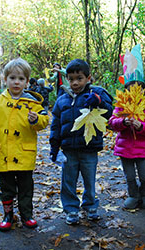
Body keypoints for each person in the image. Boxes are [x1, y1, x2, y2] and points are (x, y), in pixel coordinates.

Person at [0, 58, 49, 231]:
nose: (17, 82)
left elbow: (45, 120)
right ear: (5, 79)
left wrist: (36, 119)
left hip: (24, 153)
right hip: (4, 153)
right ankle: (8, 215)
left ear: (27, 81)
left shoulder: (33, 103)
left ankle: (27, 215)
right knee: (6, 187)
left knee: (25, 187)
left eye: (21, 79)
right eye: (13, 78)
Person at [49, 59, 113, 225]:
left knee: (89, 180)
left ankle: (90, 205)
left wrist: (98, 101)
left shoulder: (96, 94)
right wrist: (54, 146)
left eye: (79, 78)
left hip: (89, 147)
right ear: (67, 79)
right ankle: (71, 209)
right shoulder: (62, 98)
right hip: (68, 148)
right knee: (68, 181)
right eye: (71, 79)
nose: (75, 82)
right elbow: (56, 124)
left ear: (88, 78)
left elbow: (110, 113)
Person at [108, 44, 145, 209]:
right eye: (130, 87)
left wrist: (140, 127)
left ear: (143, 89)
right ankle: (133, 195)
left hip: (143, 148)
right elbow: (112, 122)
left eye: (137, 87)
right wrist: (123, 122)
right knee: (130, 176)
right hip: (125, 148)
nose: (133, 90)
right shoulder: (121, 104)